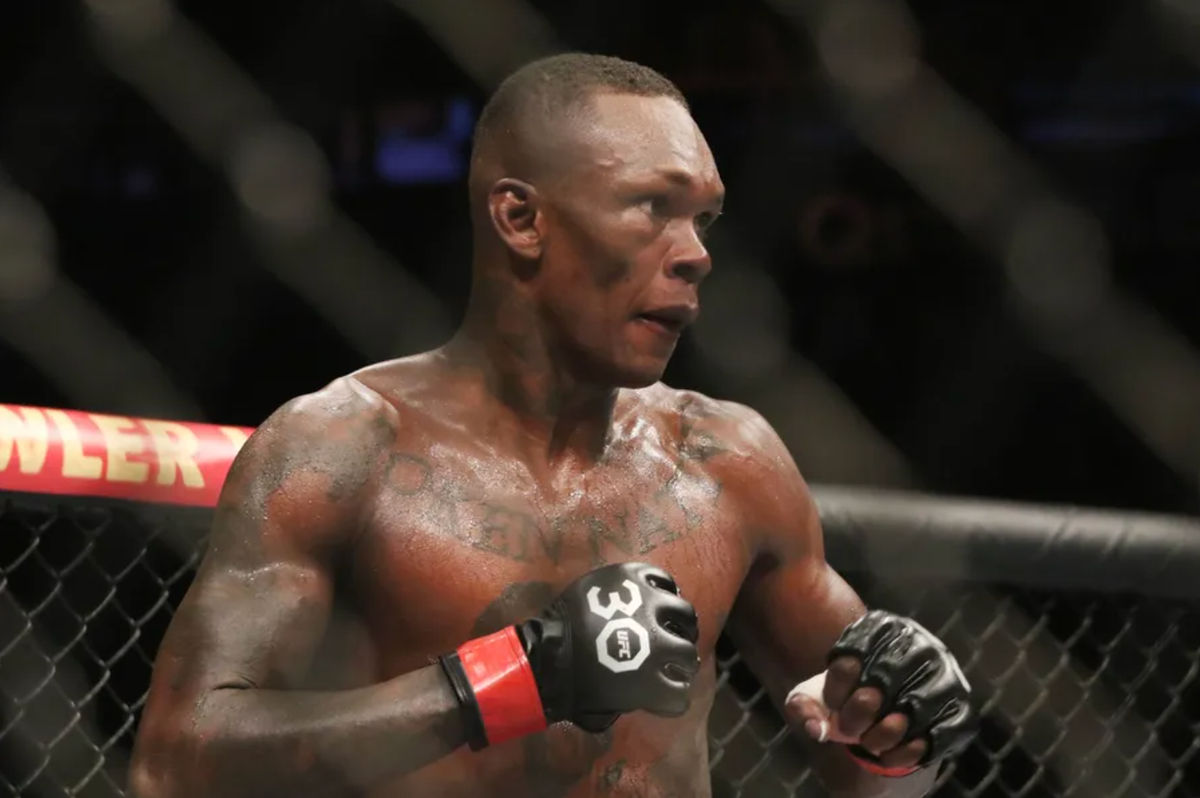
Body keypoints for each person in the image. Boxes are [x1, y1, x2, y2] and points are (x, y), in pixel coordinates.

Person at [128, 53, 975, 798]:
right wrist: (512, 681)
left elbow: (870, 775)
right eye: (653, 206)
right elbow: (175, 763)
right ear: (521, 219)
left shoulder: (728, 460)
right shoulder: (344, 448)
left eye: (704, 218)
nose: (696, 253)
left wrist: (906, 731)